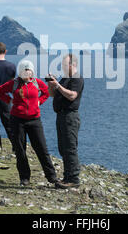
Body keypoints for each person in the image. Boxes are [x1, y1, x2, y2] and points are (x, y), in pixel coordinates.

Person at [0, 60, 58, 186]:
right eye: (24, 70)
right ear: (20, 71)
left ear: (32, 71)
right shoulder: (14, 83)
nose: (27, 72)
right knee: (20, 150)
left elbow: (46, 93)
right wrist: (9, 100)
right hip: (17, 120)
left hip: (35, 120)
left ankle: (52, 177)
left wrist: (39, 101)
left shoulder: (36, 82)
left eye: (29, 70)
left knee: (42, 148)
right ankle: (24, 178)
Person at [47, 54, 84, 189]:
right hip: (61, 115)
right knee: (63, 147)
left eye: (64, 64)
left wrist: (58, 86)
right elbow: (52, 94)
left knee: (70, 147)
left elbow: (72, 95)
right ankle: (68, 176)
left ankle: (73, 178)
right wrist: (52, 84)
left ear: (72, 64)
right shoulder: (65, 78)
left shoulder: (77, 78)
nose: (62, 67)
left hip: (70, 116)